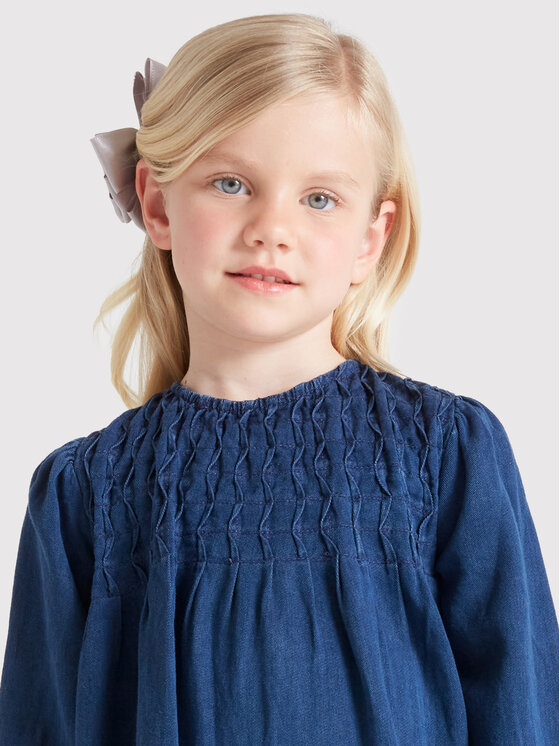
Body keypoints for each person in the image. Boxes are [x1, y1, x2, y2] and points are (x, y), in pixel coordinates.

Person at [0, 13, 557, 745]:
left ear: (371, 237)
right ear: (158, 203)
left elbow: (524, 715)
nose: (272, 228)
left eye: (319, 198)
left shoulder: (445, 455)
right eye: (231, 183)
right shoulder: (85, 495)